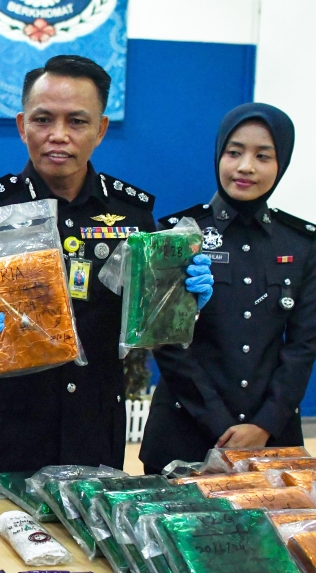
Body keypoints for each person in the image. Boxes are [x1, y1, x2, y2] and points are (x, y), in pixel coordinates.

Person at [0, 55, 214, 489]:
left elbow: (157, 333)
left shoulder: (130, 213)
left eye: (77, 121)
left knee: (88, 558)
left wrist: (182, 304)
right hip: (1, 439)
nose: (58, 136)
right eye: (43, 119)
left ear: (100, 129)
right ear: (22, 125)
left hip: (93, 438)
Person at [140, 104, 316, 472]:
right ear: (219, 154)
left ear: (280, 163)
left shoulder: (302, 244)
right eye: (234, 152)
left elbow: (303, 346)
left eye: (262, 156)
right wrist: (222, 427)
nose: (245, 167)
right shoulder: (178, 235)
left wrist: (265, 423)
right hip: (184, 430)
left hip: (271, 435)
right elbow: (168, 345)